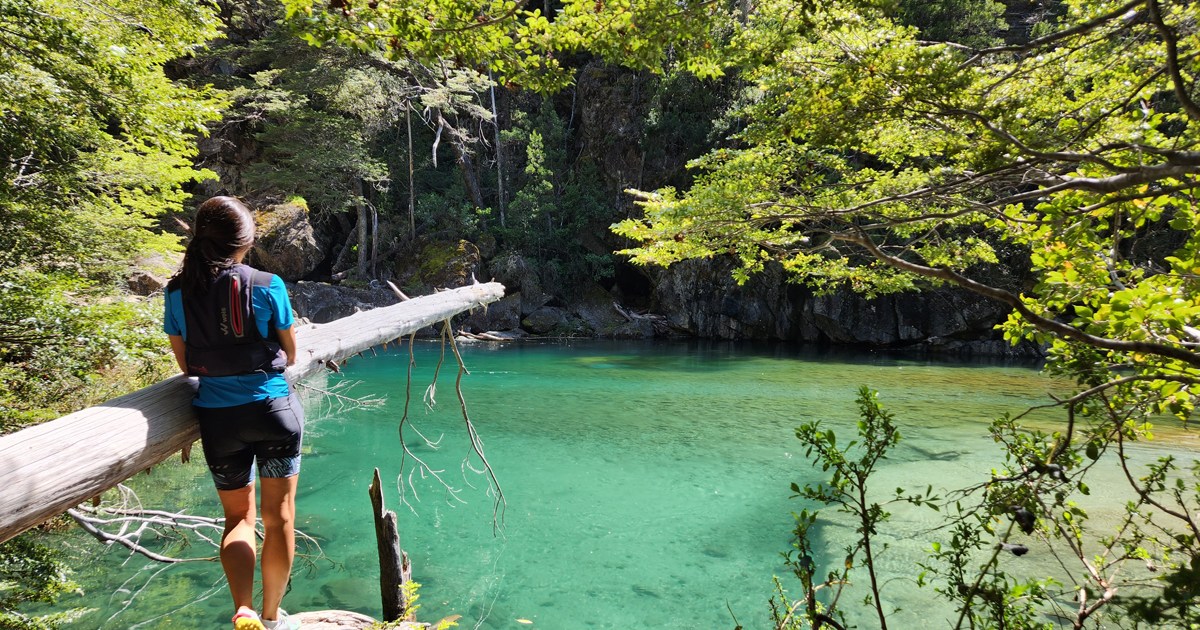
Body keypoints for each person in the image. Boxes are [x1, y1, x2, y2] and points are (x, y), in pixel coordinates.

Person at [163, 196, 304, 630]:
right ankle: (271, 616)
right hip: (273, 410)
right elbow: (291, 352)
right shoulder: (266, 283)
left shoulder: (177, 290)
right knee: (278, 516)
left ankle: (241, 608)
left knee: (237, 518)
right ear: (244, 242)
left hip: (219, 420)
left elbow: (186, 364)